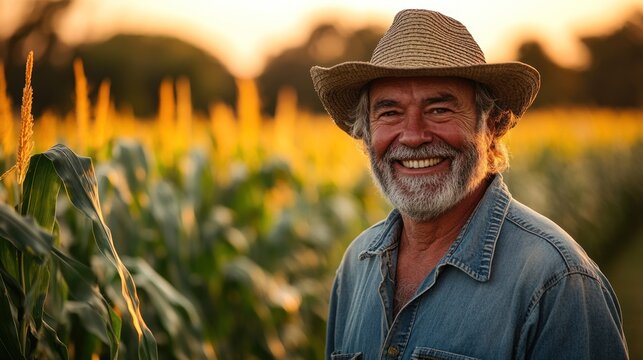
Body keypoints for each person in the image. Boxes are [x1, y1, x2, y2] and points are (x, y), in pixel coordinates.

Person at [310, 9, 629, 360]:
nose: (413, 136)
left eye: (439, 110)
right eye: (390, 112)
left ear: (491, 125)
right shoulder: (356, 265)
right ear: (366, 135)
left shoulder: (556, 282)